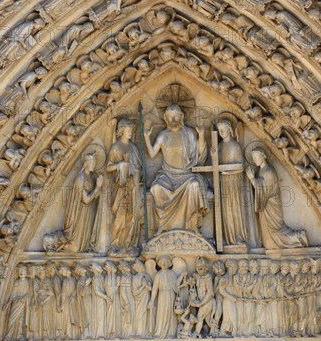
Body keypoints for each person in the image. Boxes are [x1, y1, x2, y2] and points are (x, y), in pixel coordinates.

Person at [144, 104, 209, 234]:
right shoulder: (163, 136)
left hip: (186, 175)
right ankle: (162, 226)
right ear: (165, 118)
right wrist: (146, 137)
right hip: (167, 175)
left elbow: (200, 153)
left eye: (176, 117)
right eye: (170, 117)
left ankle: (192, 226)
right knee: (156, 188)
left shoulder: (189, 133)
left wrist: (201, 135)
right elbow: (152, 154)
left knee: (194, 185)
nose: (173, 120)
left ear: (181, 117)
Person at [246, 147, 308, 249]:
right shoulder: (261, 170)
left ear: (263, 156)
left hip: (271, 205)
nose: (254, 160)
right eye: (253, 158)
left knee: (275, 232)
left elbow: (264, 191)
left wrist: (252, 179)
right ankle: (296, 237)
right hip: (266, 207)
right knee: (269, 238)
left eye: (256, 157)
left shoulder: (268, 172)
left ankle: (298, 236)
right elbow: (261, 188)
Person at [106, 118, 142, 255]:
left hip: (134, 185)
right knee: (120, 217)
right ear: (121, 131)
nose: (130, 133)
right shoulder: (116, 147)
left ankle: (129, 245)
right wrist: (120, 165)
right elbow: (108, 167)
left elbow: (139, 165)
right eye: (128, 130)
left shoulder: (134, 147)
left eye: (131, 131)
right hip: (121, 187)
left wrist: (136, 171)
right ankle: (114, 244)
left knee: (132, 217)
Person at [62, 151, 103, 252]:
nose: (94, 165)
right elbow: (85, 199)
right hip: (80, 213)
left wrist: (100, 188)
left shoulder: (93, 177)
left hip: (89, 212)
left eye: (95, 163)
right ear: (86, 163)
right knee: (76, 247)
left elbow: (96, 195)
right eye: (92, 163)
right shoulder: (80, 178)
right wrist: (98, 187)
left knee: (85, 243)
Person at [216, 116, 248, 245]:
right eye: (219, 130)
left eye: (224, 129)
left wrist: (226, 172)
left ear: (230, 130)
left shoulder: (235, 146)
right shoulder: (218, 146)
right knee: (225, 212)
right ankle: (227, 239)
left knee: (235, 209)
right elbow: (214, 164)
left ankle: (238, 238)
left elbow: (240, 167)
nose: (222, 132)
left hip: (234, 183)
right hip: (223, 183)